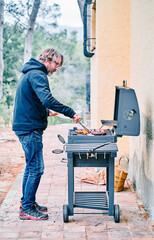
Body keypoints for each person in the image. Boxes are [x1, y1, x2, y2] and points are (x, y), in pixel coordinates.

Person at [12, 48, 82, 220]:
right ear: (48, 59)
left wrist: (45, 111)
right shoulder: (38, 74)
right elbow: (47, 99)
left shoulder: (31, 72)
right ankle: (27, 209)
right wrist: (70, 112)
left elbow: (35, 100)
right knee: (36, 168)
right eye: (56, 64)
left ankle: (27, 202)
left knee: (31, 167)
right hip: (30, 128)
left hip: (27, 125)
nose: (56, 68)